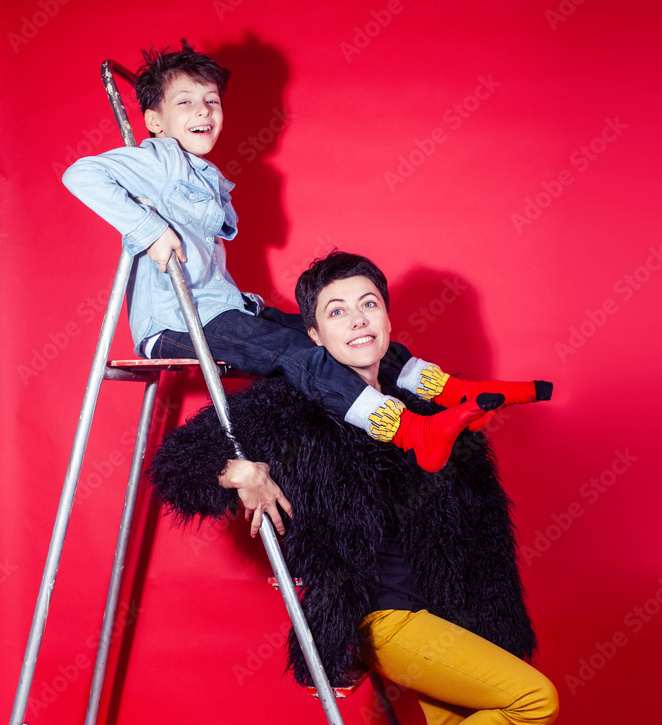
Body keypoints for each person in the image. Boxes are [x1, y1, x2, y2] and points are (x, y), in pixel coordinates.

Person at [148, 251, 562, 725]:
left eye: (367, 303)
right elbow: (177, 465)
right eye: (336, 312)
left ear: (387, 315)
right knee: (531, 700)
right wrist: (241, 471)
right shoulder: (291, 402)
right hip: (380, 613)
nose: (357, 320)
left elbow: (468, 519)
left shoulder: (422, 399)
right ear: (313, 335)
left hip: (450, 611)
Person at [62, 39, 550, 473]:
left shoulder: (203, 173)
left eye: (211, 102)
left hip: (226, 309)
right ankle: (408, 431)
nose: (204, 112)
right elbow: (80, 175)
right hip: (177, 323)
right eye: (185, 103)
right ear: (154, 122)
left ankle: (450, 391)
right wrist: (148, 231)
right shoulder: (159, 158)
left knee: (342, 333)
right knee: (297, 352)